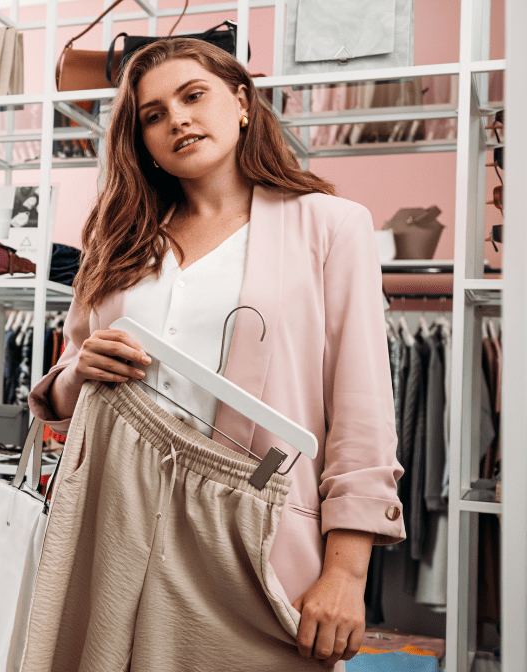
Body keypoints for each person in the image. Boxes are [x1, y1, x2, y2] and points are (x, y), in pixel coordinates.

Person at [25, 39, 404, 670]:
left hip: (251, 517)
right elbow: (68, 382)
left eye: (193, 95)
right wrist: (75, 373)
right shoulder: (117, 235)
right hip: (111, 516)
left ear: (242, 102)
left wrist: (346, 572)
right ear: (140, 139)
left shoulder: (331, 226)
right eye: (153, 113)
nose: (176, 118)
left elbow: (362, 410)